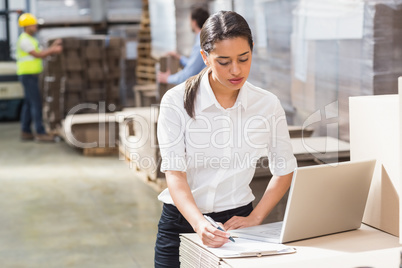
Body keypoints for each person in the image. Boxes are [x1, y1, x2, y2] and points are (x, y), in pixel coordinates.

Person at [154, 10, 297, 267]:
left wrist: (256, 217)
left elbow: (284, 169)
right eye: (223, 61)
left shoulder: (267, 104)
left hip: (237, 224)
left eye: (244, 58)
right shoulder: (175, 102)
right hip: (182, 223)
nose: (236, 70)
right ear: (205, 57)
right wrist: (199, 224)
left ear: (252, 49)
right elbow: (175, 173)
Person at [16, 13, 62, 142]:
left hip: (31, 75)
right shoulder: (24, 39)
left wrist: (53, 46)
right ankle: (40, 133)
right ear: (26, 26)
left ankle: (26, 131)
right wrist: (53, 50)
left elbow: (41, 52)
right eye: (33, 24)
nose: (35, 26)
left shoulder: (31, 39)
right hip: (27, 75)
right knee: (36, 103)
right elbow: (38, 55)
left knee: (28, 103)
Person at [157, 6, 209, 85]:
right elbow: (195, 64)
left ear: (194, 22)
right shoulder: (206, 39)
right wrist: (180, 58)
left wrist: (168, 78)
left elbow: (189, 73)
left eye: (190, 21)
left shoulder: (200, 43)